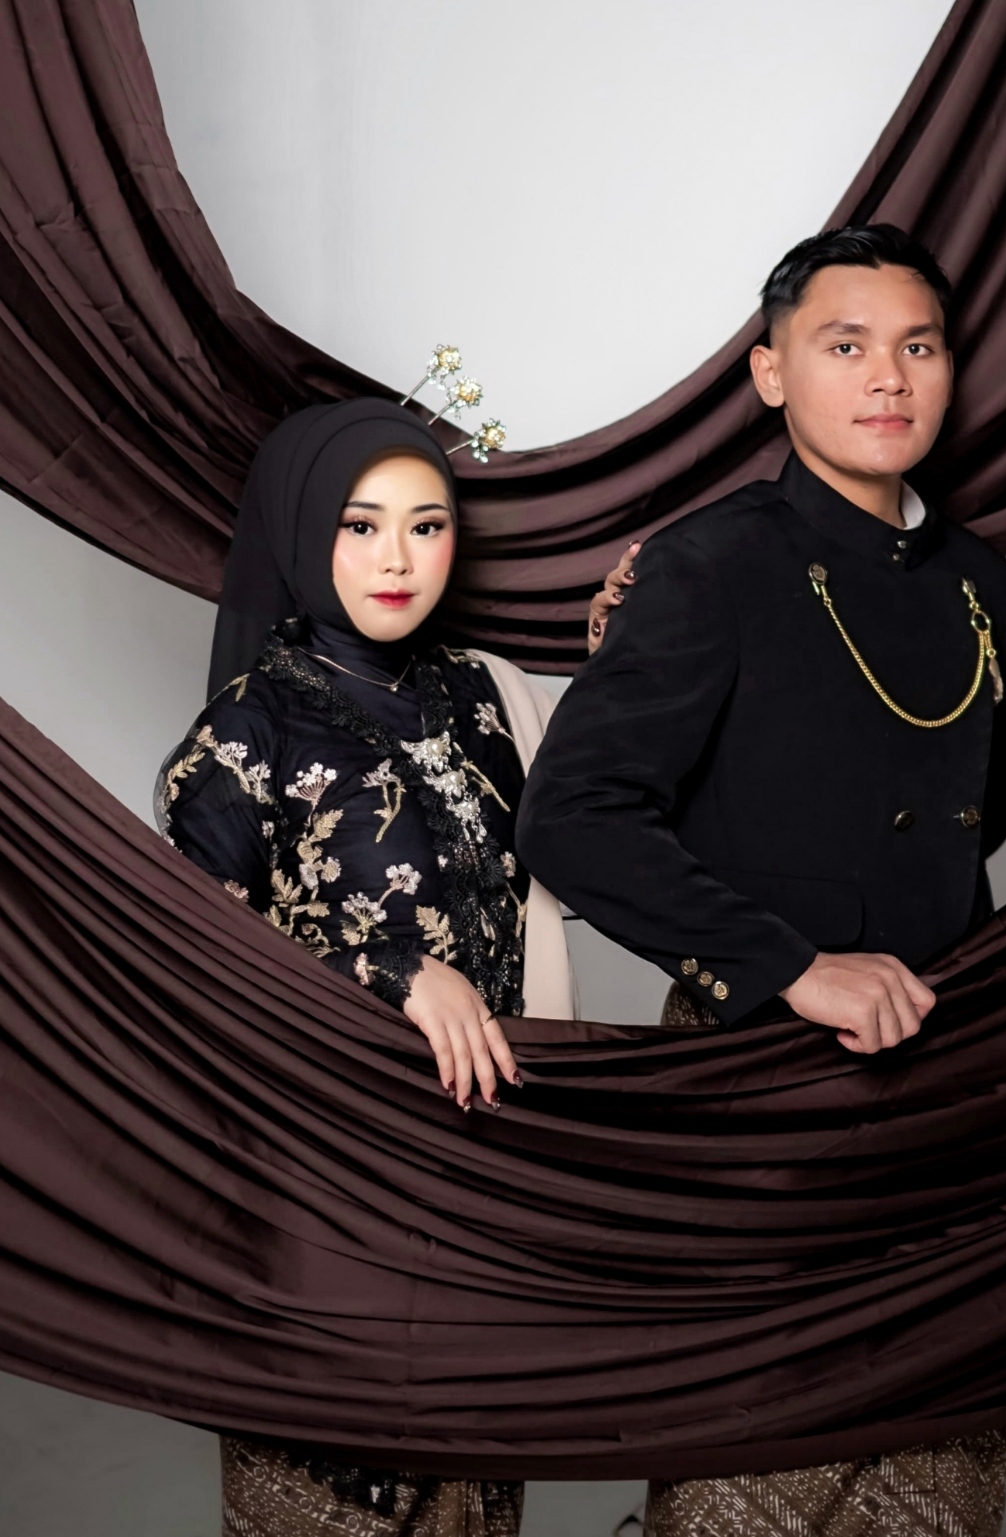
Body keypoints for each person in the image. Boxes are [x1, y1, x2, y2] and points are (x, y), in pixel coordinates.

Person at [517, 225, 1006, 1536]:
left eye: (918, 346)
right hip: (759, 1088)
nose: (888, 377)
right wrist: (792, 965)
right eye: (844, 345)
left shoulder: (986, 585)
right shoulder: (708, 563)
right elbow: (570, 818)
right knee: (745, 1484)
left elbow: (980, 824)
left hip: (944, 1091)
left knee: (939, 1487)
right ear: (768, 374)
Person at [159, 397, 579, 1537]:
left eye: (426, 525)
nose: (398, 558)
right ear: (304, 530)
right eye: (361, 524)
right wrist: (385, 966)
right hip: (324, 1196)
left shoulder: (489, 700)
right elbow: (199, 985)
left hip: (488, 1188)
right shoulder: (243, 736)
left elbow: (595, 860)